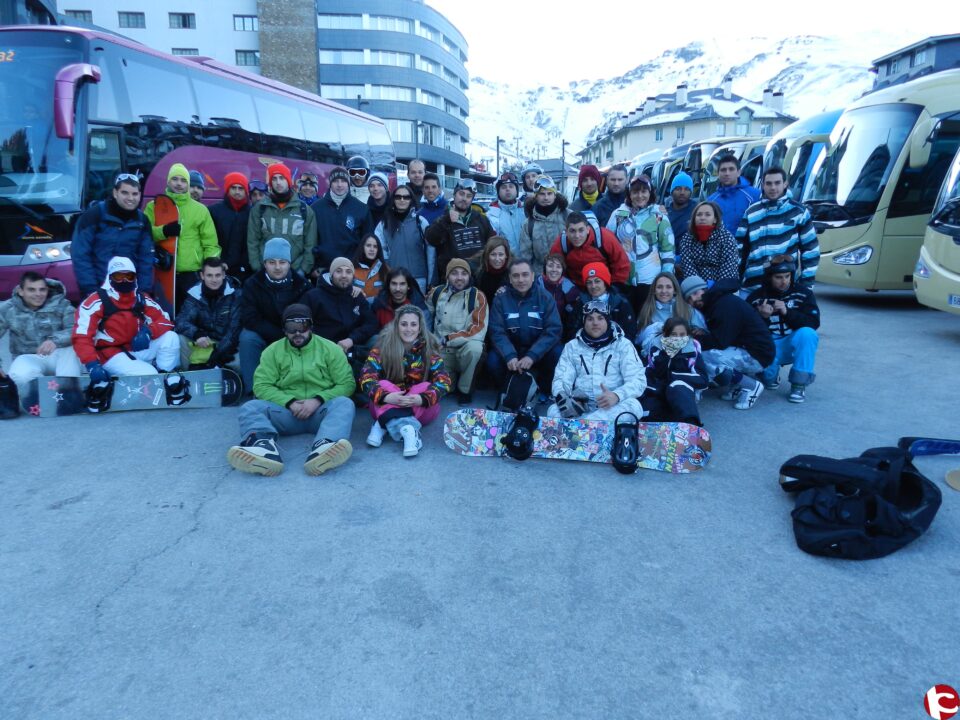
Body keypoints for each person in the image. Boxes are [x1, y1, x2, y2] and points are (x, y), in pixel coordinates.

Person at [226, 304, 355, 477]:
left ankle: (325, 445)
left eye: (303, 326)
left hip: (320, 412)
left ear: (311, 327)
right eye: (291, 328)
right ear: (284, 330)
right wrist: (289, 402)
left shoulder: (330, 349)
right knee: (250, 407)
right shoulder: (272, 351)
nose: (297, 333)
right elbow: (261, 385)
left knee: (344, 404)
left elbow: (347, 384)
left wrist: (317, 400)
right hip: (286, 413)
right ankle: (263, 448)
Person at [72, 257, 183, 387]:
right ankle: (150, 383)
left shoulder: (140, 298)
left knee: (171, 338)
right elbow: (81, 336)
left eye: (129, 276)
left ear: (135, 277)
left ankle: (166, 377)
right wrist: (92, 364)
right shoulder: (96, 302)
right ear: (110, 278)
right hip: (110, 354)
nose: (124, 280)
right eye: (118, 276)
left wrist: (149, 332)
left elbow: (165, 320)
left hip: (135, 347)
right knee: (149, 374)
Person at [360, 305, 451, 457]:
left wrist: (421, 399)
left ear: (420, 328)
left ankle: (383, 424)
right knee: (383, 384)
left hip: (418, 406)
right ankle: (410, 433)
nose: (408, 329)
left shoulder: (430, 350)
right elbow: (366, 377)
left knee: (425, 386)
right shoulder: (382, 348)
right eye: (404, 324)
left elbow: (444, 381)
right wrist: (386, 397)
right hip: (386, 402)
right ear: (397, 326)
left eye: (413, 324)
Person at [682, 275, 774, 410]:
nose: (694, 299)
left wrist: (692, 339)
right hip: (749, 349)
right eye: (689, 298)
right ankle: (737, 386)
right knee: (705, 351)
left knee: (703, 356)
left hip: (758, 354)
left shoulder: (724, 304)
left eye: (696, 292)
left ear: (705, 289)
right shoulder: (716, 301)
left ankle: (751, 385)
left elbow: (720, 341)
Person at [548, 300, 645, 422]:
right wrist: (564, 398)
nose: (595, 323)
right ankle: (588, 426)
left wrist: (616, 395)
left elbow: (638, 380)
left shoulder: (623, 345)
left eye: (600, 318)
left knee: (634, 406)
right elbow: (561, 378)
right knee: (553, 410)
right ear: (584, 322)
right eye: (590, 319)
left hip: (612, 406)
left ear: (607, 321)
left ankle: (583, 427)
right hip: (582, 406)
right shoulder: (572, 346)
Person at [238, 238, 311, 393]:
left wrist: (291, 332)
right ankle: (255, 390)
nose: (277, 267)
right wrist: (278, 334)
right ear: (265, 263)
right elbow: (250, 317)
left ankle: (301, 387)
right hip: (264, 333)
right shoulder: (252, 284)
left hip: (294, 333)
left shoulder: (302, 285)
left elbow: (305, 316)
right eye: (272, 262)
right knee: (247, 338)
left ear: (289, 263)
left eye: (282, 262)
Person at [746, 255, 820, 403]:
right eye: (778, 277)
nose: (784, 281)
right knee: (769, 382)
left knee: (808, 334)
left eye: (787, 276)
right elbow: (745, 330)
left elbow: (813, 322)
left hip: (791, 344)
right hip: (768, 345)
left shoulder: (804, 293)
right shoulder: (755, 297)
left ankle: (799, 384)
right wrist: (762, 317)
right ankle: (771, 375)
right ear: (769, 277)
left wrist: (787, 312)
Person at [145, 163, 219, 308]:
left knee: (192, 313)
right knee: (165, 312)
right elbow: (145, 234)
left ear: (188, 184)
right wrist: (164, 231)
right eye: (175, 179)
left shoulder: (200, 210)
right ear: (168, 181)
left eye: (183, 180)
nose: (179, 184)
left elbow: (210, 243)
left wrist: (210, 267)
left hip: (191, 273)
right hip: (164, 271)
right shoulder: (153, 206)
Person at [486, 258, 563, 398]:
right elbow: (497, 331)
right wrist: (509, 355)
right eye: (516, 276)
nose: (521, 280)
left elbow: (553, 330)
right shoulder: (500, 299)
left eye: (525, 275)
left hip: (538, 351)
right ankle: (508, 389)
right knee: (492, 360)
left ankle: (543, 388)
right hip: (513, 350)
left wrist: (532, 355)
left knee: (558, 352)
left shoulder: (545, 298)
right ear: (510, 279)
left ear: (533, 276)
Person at [737, 167, 819, 294]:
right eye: (769, 183)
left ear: (785, 184)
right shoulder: (751, 213)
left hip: (785, 288)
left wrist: (806, 286)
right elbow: (739, 250)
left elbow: (811, 250)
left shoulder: (799, 212)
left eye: (777, 183)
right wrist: (735, 282)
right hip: (752, 287)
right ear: (762, 185)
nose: (773, 187)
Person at [71, 173, 155, 297]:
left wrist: (144, 291)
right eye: (125, 193)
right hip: (98, 287)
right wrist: (90, 289)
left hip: (129, 287)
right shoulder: (94, 215)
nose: (130, 198)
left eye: (135, 194)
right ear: (115, 193)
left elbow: (146, 258)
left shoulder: (142, 220)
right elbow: (80, 253)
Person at [0, 272, 82, 392]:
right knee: (20, 375)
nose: (38, 294)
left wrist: (55, 340)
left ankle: (67, 395)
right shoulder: (8, 308)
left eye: (42, 290)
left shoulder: (62, 305)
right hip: (28, 356)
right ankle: (42, 397)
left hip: (59, 354)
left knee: (71, 349)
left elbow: (77, 329)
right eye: (31, 290)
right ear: (21, 291)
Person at [606, 174, 675, 311]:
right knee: (625, 316)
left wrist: (666, 276)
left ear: (650, 193)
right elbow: (608, 244)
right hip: (623, 279)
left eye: (644, 191)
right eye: (635, 192)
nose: (640, 196)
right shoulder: (618, 214)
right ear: (629, 194)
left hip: (650, 279)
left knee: (645, 317)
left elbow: (667, 249)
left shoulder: (658, 215)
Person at [300, 257, 378, 374]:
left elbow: (372, 323)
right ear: (331, 274)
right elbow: (302, 324)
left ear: (353, 276)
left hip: (353, 347)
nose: (344, 275)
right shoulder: (313, 296)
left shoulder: (356, 296)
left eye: (348, 272)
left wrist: (352, 339)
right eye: (339, 271)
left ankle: (377, 376)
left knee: (378, 339)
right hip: (323, 350)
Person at [427, 258, 488, 404]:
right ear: (447, 276)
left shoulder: (477, 296)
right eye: (454, 273)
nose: (459, 277)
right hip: (441, 352)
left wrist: (448, 339)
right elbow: (425, 319)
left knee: (475, 348)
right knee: (445, 389)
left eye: (464, 273)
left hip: (462, 350)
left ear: (469, 276)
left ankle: (465, 390)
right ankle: (452, 381)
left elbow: (478, 329)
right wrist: (429, 341)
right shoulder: (437, 293)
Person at [247, 162, 318, 276]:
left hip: (295, 271)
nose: (278, 182)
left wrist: (303, 269)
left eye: (282, 178)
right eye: (274, 179)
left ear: (288, 180)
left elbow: (310, 244)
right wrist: (257, 267)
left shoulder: (304, 210)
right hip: (266, 271)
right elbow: (252, 241)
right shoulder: (259, 208)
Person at [175, 257, 242, 370]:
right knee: (179, 339)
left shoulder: (236, 294)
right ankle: (189, 375)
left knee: (239, 362)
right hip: (203, 341)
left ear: (223, 275)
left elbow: (234, 331)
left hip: (226, 344)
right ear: (202, 276)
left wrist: (217, 354)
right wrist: (197, 334)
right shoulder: (195, 294)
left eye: (217, 275)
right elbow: (181, 321)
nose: (214, 280)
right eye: (209, 275)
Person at [641, 317, 708, 426]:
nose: (678, 338)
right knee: (648, 401)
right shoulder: (657, 347)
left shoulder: (692, 349)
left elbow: (703, 379)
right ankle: (649, 426)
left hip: (682, 391)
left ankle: (691, 425)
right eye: (674, 334)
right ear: (666, 334)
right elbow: (649, 371)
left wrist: (673, 376)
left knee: (676, 386)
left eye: (682, 335)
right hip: (660, 389)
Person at [424, 178, 496, 279]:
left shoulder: (481, 219)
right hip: (453, 277)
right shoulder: (443, 218)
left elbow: (492, 245)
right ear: (454, 195)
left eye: (469, 196)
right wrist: (446, 220)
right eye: (461, 194)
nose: (464, 199)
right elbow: (431, 239)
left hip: (479, 276)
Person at [548, 211, 630, 293]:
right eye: (572, 231)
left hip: (604, 287)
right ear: (566, 231)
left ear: (588, 229)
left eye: (581, 230)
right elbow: (552, 268)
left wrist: (613, 289)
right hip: (576, 288)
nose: (577, 236)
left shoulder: (605, 238)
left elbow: (622, 265)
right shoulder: (561, 243)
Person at [312, 165, 373, 272]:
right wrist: (313, 267)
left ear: (348, 183)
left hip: (352, 269)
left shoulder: (361, 209)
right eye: (335, 181)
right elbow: (310, 241)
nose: (339, 185)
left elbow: (367, 240)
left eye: (343, 181)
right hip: (323, 269)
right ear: (330, 183)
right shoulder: (316, 208)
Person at [375, 185, 433, 294]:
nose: (402, 200)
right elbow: (379, 250)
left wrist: (431, 280)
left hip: (418, 278)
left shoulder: (420, 222)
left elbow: (430, 253)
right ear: (393, 199)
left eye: (406, 197)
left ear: (411, 199)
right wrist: (387, 270)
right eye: (398, 197)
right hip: (395, 280)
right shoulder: (384, 224)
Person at [635, 271, 706, 356]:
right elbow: (638, 339)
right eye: (659, 287)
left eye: (668, 287)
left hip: (686, 356)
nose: (664, 291)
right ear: (654, 290)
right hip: (658, 356)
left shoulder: (687, 309)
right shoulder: (647, 310)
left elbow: (703, 334)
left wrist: (699, 332)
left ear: (674, 290)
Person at [568, 263, 636, 342]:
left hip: (616, 345)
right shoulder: (581, 303)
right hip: (586, 345)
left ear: (605, 282)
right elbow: (573, 330)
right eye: (589, 282)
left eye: (597, 281)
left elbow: (630, 332)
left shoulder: (620, 302)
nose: (593, 286)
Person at [675, 200, 739, 283]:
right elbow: (688, 267)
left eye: (707, 215)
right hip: (696, 287)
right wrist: (699, 287)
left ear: (715, 219)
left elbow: (729, 266)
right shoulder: (687, 239)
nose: (702, 218)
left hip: (723, 284)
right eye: (699, 215)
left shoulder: (727, 237)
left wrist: (717, 287)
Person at [519, 174, 571, 271]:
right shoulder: (528, 224)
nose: (546, 198)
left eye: (549, 193)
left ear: (555, 195)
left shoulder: (567, 216)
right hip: (540, 274)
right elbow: (526, 256)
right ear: (536, 196)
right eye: (542, 194)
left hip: (566, 271)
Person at [209, 171, 252, 281]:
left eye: (241, 188)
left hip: (246, 270)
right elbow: (210, 240)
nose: (237, 191)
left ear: (246, 191)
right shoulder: (214, 211)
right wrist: (218, 261)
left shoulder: (252, 212)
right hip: (220, 268)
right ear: (228, 189)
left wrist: (247, 265)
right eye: (233, 188)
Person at [708, 153, 761, 235]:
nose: (727, 173)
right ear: (718, 173)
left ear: (738, 172)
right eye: (723, 170)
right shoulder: (711, 201)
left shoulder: (755, 195)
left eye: (731, 169)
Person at [486, 171, 524, 255]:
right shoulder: (491, 216)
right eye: (503, 187)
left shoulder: (526, 211)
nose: (508, 189)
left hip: (527, 261)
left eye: (511, 186)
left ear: (517, 191)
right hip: (505, 261)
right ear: (498, 192)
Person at [538, 253, 579, 322]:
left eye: (558, 267)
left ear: (562, 270)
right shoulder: (536, 284)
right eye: (550, 266)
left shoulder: (569, 287)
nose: (554, 270)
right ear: (545, 268)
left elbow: (574, 310)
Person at [352, 234, 389, 303]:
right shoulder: (352, 268)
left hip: (378, 308)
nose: (372, 249)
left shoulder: (385, 269)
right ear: (362, 247)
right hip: (357, 307)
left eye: (375, 246)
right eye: (368, 245)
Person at [474, 236, 511, 302]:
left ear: (506, 255)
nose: (497, 259)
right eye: (493, 254)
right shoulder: (478, 273)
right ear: (487, 255)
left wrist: (509, 291)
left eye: (501, 254)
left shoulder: (513, 272)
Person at [665, 172, 695, 242]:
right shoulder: (664, 213)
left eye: (686, 189)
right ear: (672, 192)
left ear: (691, 192)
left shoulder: (697, 210)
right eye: (678, 189)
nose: (682, 192)